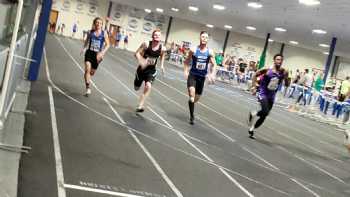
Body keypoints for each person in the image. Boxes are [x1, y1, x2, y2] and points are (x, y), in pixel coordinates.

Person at [247, 54, 289, 138]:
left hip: (272, 96)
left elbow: (287, 84)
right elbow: (255, 75)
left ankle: (252, 128)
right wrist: (253, 87)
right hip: (263, 93)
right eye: (277, 59)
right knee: (265, 111)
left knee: (264, 115)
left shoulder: (283, 72)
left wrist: (287, 77)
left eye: (281, 60)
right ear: (274, 60)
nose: (279, 61)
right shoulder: (266, 69)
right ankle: (253, 113)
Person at [183, 31, 217, 125]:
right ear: (200, 38)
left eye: (206, 37)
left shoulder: (210, 52)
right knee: (192, 96)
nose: (204, 39)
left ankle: (191, 104)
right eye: (203, 37)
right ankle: (192, 116)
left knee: (195, 99)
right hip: (193, 76)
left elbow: (214, 65)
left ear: (208, 40)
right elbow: (186, 62)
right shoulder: (193, 50)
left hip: (201, 78)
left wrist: (212, 74)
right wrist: (185, 71)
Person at [134, 29, 166, 112]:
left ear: (160, 37)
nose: (157, 36)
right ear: (152, 36)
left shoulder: (162, 48)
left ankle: (140, 105)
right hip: (141, 70)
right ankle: (137, 81)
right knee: (136, 88)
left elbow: (162, 56)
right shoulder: (146, 44)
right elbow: (136, 53)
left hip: (151, 71)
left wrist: (162, 65)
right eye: (155, 35)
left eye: (158, 35)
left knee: (148, 86)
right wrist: (142, 61)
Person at [80, 17, 110, 96]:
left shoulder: (104, 34)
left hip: (97, 55)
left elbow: (108, 45)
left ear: (101, 25)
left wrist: (102, 53)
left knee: (92, 73)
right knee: (87, 69)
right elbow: (87, 41)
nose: (98, 24)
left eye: (100, 23)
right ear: (94, 23)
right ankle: (88, 88)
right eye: (97, 22)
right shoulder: (90, 32)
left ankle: (88, 78)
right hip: (89, 52)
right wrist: (83, 48)